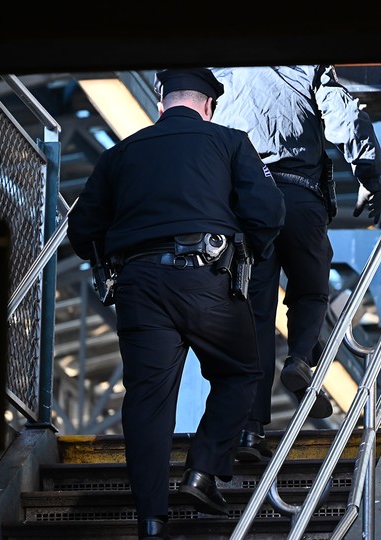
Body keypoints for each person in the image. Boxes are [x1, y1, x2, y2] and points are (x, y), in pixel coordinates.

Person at [66, 68, 286, 539]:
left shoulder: (120, 152)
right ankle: (202, 472)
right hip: (206, 277)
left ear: (161, 102)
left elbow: (82, 229)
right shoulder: (230, 142)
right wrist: (251, 251)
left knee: (147, 399)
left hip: (139, 286)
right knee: (241, 371)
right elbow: (268, 212)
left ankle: (150, 519)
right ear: (209, 105)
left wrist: (115, 256)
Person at [209, 65, 381, 461]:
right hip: (300, 196)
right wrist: (369, 176)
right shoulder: (307, 67)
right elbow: (347, 117)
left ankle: (250, 431)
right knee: (310, 288)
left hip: (247, 205)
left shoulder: (221, 71)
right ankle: (301, 356)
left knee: (254, 314)